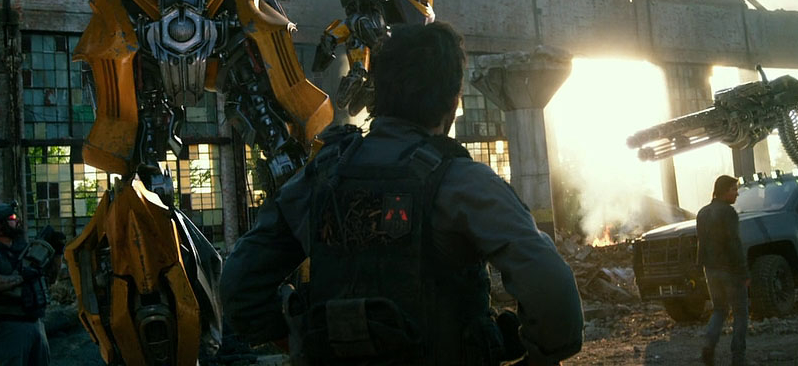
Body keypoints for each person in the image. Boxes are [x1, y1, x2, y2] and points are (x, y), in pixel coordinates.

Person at [220, 21, 584, 365]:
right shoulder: (462, 182)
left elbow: (239, 286)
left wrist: (305, 338)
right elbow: (552, 288)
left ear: (377, 93)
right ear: (453, 102)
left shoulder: (321, 176)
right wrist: (540, 356)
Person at [0, 203, 64, 366]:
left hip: (36, 324)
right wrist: (21, 278)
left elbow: (50, 279)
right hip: (9, 328)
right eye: (12, 218)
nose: (17, 221)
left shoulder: (24, 251)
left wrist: (57, 253)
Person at [696, 175, 749, 366]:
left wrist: (701, 267)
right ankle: (738, 357)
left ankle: (708, 345)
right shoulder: (728, 212)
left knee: (719, 309)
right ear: (724, 191)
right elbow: (734, 243)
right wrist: (744, 272)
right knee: (741, 313)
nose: (737, 193)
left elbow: (701, 243)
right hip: (731, 271)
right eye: (734, 189)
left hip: (711, 271)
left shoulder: (702, 213)